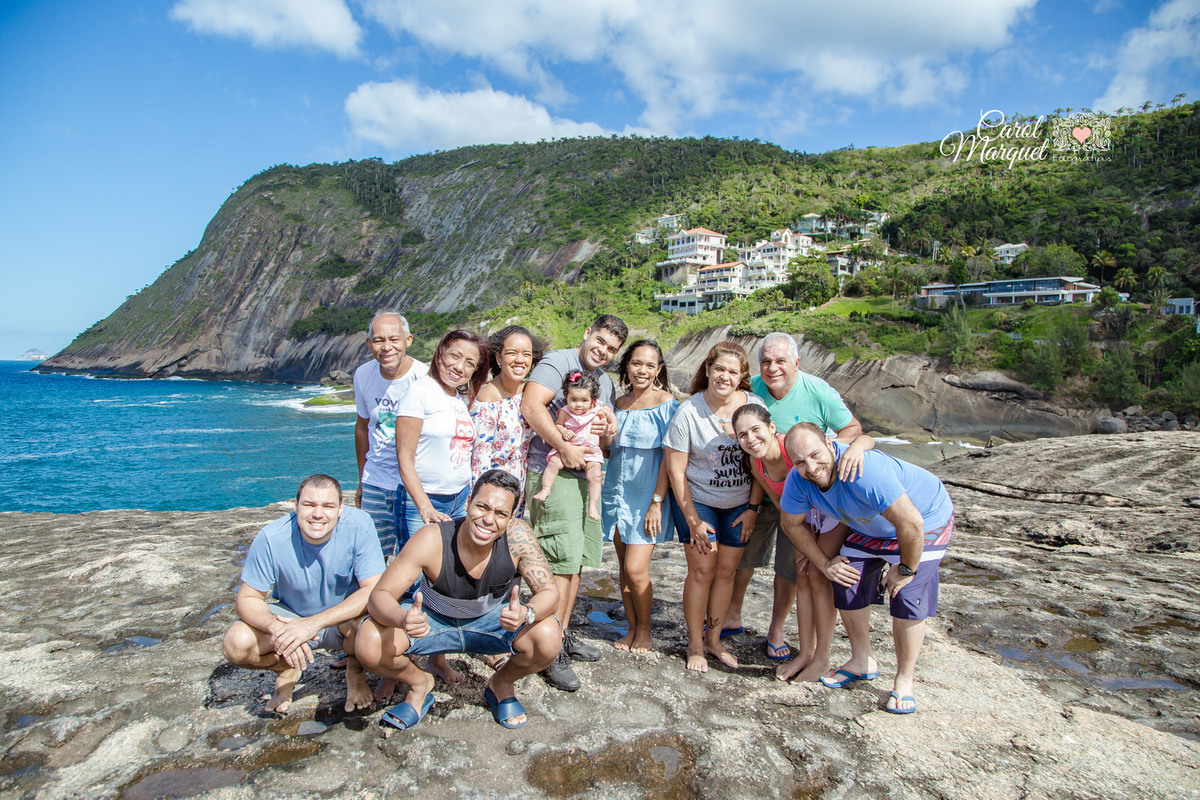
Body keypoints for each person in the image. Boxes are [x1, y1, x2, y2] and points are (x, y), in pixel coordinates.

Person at [355, 470, 562, 729]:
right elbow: (380, 597)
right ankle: (420, 684)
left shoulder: (518, 537)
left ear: (510, 518)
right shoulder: (432, 538)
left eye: (500, 514)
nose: (488, 519)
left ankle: (501, 683)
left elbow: (550, 593)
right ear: (467, 504)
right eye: (482, 507)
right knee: (369, 641)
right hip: (433, 622)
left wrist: (526, 613)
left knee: (549, 634)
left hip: (492, 622)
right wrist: (403, 618)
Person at [725, 332, 870, 682]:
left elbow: (853, 428)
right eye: (766, 361)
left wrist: (839, 449)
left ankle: (777, 630)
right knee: (746, 555)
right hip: (763, 490)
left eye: (781, 361)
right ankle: (732, 615)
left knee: (793, 568)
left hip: (809, 498)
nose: (773, 369)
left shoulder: (817, 390)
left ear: (797, 363)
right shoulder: (750, 389)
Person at [780, 423, 955, 714]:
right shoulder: (798, 480)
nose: (811, 467)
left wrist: (907, 568)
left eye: (815, 454)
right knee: (846, 579)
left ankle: (904, 681)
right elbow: (790, 524)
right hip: (871, 526)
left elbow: (911, 524)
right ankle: (862, 661)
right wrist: (824, 565)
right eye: (800, 461)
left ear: (830, 443)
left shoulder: (862, 471)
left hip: (926, 519)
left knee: (906, 594)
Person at [521, 314, 628, 691]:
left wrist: (608, 431)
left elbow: (604, 440)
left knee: (576, 562)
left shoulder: (606, 382)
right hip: (553, 472)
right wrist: (562, 446)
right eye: (599, 341)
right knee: (560, 564)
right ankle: (549, 649)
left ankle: (561, 635)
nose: (603, 351)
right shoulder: (558, 363)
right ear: (587, 334)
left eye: (611, 349)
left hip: (586, 476)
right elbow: (531, 406)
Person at [221, 474, 385, 714]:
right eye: (309, 505)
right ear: (295, 506)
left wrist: (313, 624)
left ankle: (355, 669)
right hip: (291, 617)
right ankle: (285, 668)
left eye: (328, 506)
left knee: (375, 628)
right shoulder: (271, 537)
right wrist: (278, 630)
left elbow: (373, 590)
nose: (318, 514)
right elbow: (247, 598)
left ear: (341, 508)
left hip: (343, 621)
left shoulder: (361, 525)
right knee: (236, 644)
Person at [394, 329, 491, 690]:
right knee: (411, 584)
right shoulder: (418, 392)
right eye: (455, 357)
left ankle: (436, 657)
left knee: (444, 583)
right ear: (439, 353)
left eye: (470, 363)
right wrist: (423, 507)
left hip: (456, 498)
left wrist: (466, 496)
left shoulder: (457, 398)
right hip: (424, 501)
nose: (460, 367)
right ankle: (398, 665)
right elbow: (404, 458)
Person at [664, 342, 764, 673]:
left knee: (726, 572)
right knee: (703, 570)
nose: (725, 376)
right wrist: (693, 521)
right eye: (719, 369)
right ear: (707, 369)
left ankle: (714, 640)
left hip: (739, 505)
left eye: (733, 372)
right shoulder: (689, 412)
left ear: (742, 377)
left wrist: (752, 508)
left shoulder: (754, 406)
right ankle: (695, 644)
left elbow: (763, 463)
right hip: (698, 501)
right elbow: (675, 472)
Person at [601, 340, 678, 653]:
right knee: (622, 567)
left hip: (648, 496)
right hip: (616, 493)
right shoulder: (617, 404)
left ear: (658, 370)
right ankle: (631, 628)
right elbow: (607, 450)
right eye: (636, 363)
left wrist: (657, 502)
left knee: (636, 568)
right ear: (626, 367)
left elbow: (670, 456)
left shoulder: (668, 404)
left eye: (649, 365)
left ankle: (645, 629)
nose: (642, 370)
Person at [353, 311, 429, 557]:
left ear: (408, 340)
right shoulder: (363, 375)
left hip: (414, 483)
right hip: (375, 481)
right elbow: (362, 426)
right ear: (369, 344)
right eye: (379, 340)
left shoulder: (425, 378)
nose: (387, 347)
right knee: (370, 555)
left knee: (415, 556)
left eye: (394, 339)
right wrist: (362, 479)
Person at [471, 326, 543, 513]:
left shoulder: (530, 392)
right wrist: (481, 501)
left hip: (519, 486)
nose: (520, 360)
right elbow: (480, 458)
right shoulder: (488, 398)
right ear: (498, 357)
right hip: (495, 491)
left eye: (526, 354)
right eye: (512, 353)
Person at [531, 371, 613, 521]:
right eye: (573, 399)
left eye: (583, 400)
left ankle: (593, 505)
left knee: (594, 476)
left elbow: (610, 414)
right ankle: (546, 489)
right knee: (554, 462)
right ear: (566, 396)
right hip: (568, 448)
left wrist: (613, 424)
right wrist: (564, 430)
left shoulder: (597, 409)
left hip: (590, 451)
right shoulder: (565, 412)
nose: (578, 405)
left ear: (592, 400)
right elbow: (558, 425)